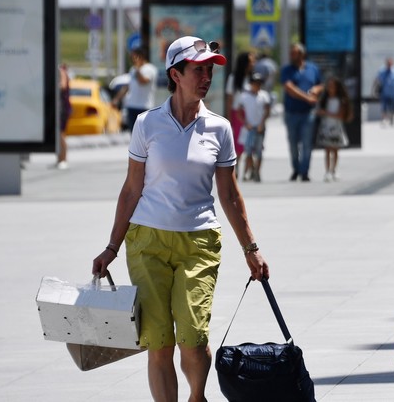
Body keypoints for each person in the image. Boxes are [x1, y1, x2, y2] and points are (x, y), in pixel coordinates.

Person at [92, 35, 269, 402]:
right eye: (198, 70)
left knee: (193, 335)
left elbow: (230, 196)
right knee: (158, 342)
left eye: (210, 70)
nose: (206, 77)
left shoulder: (219, 128)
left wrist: (251, 249)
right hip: (147, 242)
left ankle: (197, 396)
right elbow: (131, 189)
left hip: (199, 242)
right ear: (176, 74)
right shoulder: (147, 124)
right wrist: (111, 246)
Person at [281, 43, 323, 182]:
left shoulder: (313, 68)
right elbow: (289, 88)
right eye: (291, 53)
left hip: (308, 113)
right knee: (293, 144)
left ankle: (304, 171)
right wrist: (307, 98)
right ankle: (296, 169)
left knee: (307, 144)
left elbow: (319, 84)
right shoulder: (287, 70)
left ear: (301, 54)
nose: (291, 56)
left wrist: (316, 90)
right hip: (291, 112)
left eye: (294, 53)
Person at [315, 76, 353, 182]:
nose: (330, 88)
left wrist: (326, 113)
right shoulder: (324, 99)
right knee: (327, 149)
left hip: (336, 126)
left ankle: (334, 170)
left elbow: (340, 115)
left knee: (335, 149)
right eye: (329, 86)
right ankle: (327, 171)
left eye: (332, 86)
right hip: (326, 126)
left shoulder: (341, 100)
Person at [236, 72, 271, 182]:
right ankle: (252, 169)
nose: (257, 85)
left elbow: (267, 110)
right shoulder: (244, 96)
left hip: (260, 127)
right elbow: (239, 112)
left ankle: (257, 172)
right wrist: (246, 123)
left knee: (259, 151)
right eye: (255, 83)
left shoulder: (264, 95)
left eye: (259, 83)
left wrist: (262, 123)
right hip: (249, 128)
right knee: (249, 151)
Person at [113, 47, 158, 132]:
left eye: (134, 57)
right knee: (133, 133)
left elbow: (143, 81)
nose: (133, 60)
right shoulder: (133, 70)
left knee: (144, 133)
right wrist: (116, 99)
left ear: (141, 56)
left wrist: (138, 69)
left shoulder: (150, 69)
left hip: (144, 107)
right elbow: (127, 86)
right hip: (132, 106)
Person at [226, 52, 255, 162]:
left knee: (251, 141)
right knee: (239, 141)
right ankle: (236, 167)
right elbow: (229, 99)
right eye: (251, 61)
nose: (253, 63)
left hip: (251, 113)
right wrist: (229, 119)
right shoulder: (233, 78)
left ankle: (250, 169)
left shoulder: (254, 78)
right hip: (237, 114)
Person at [374, 57, 394, 126]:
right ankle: (384, 119)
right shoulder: (382, 70)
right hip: (384, 92)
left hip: (393, 92)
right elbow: (377, 80)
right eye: (388, 63)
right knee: (384, 106)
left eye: (390, 63)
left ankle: (391, 119)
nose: (389, 65)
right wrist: (374, 90)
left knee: (393, 106)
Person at [56, 63, 72, 170]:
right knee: (58, 134)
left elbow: (63, 85)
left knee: (61, 133)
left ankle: (64, 159)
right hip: (60, 106)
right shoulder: (61, 70)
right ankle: (59, 159)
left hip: (62, 107)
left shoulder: (61, 70)